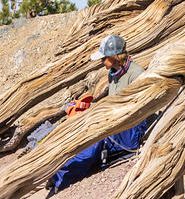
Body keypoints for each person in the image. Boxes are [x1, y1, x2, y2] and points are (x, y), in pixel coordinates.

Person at [48, 34, 149, 193]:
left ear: (114, 57)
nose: (102, 62)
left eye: (104, 58)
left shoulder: (137, 74)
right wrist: (86, 106)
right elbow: (112, 101)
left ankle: (63, 177)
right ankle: (57, 170)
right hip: (117, 119)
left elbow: (139, 108)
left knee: (95, 135)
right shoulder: (113, 74)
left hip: (131, 128)